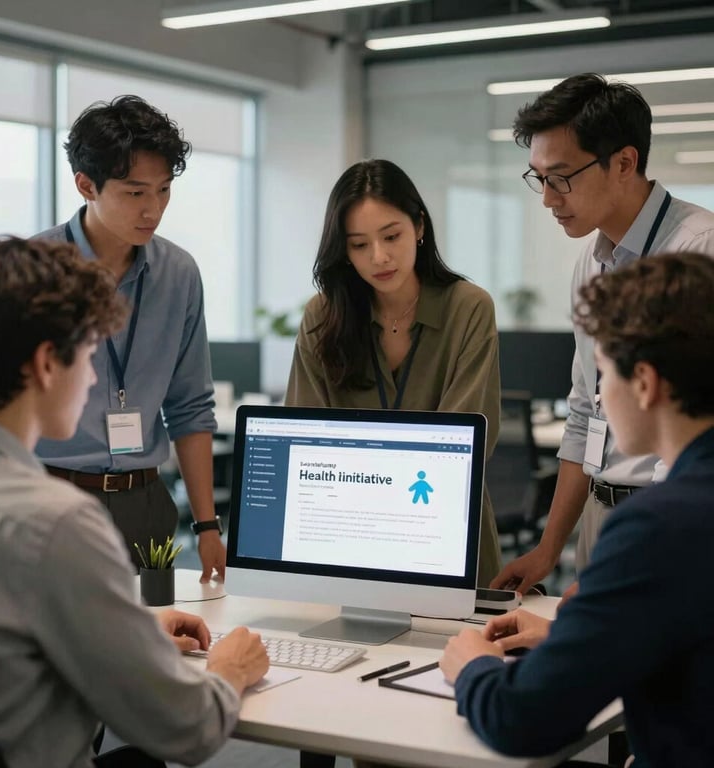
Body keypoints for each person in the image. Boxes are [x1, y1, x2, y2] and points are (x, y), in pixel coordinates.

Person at [0, 237, 269, 768]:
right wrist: (231, 668)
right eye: (91, 355)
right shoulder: (54, 523)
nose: (94, 377)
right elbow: (187, 730)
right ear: (48, 364)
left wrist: (128, 634)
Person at [440, 252, 714, 767]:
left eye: (603, 376)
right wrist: (586, 635)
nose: (598, 399)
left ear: (645, 383)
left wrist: (473, 666)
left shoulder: (660, 526)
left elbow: (523, 719)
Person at [492, 73, 714, 595]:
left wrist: (643, 545)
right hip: (601, 513)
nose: (548, 198)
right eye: (539, 177)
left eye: (562, 177)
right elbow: (586, 412)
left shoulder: (699, 253)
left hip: (671, 523)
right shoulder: (591, 264)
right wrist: (550, 550)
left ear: (624, 163)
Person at [285, 158, 502, 587]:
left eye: (391, 236)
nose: (379, 257)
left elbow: (465, 444)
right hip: (348, 540)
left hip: (449, 537)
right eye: (359, 245)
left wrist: (362, 468)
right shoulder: (322, 316)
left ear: (419, 226)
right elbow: (306, 442)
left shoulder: (469, 307)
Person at [34, 95, 225, 579]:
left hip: (147, 505)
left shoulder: (178, 273)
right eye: (135, 193)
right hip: (53, 498)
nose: (153, 209)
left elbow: (189, 407)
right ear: (86, 185)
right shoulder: (34, 270)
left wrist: (207, 526)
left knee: (162, 644)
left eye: (163, 190)